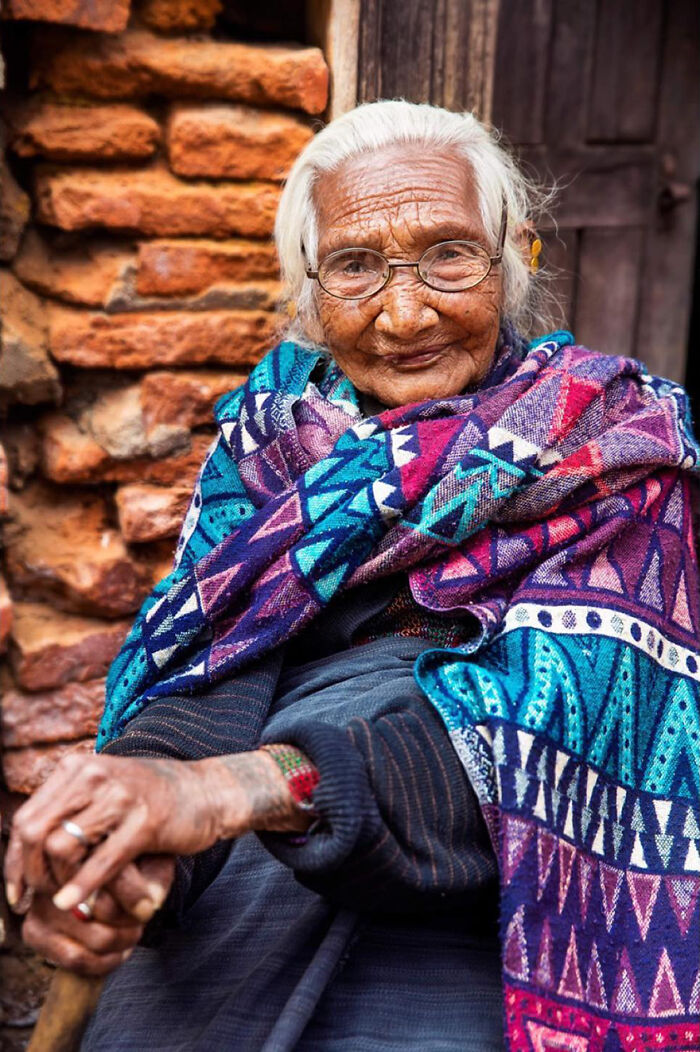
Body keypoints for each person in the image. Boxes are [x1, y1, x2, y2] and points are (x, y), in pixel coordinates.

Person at [6, 100, 700, 1052]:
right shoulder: (265, 445)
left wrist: (232, 793)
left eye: (449, 256)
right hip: (235, 905)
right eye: (356, 266)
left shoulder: (618, 452)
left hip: (472, 928)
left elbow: (536, 740)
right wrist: (142, 840)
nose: (405, 313)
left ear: (514, 256)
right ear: (309, 287)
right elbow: (208, 678)